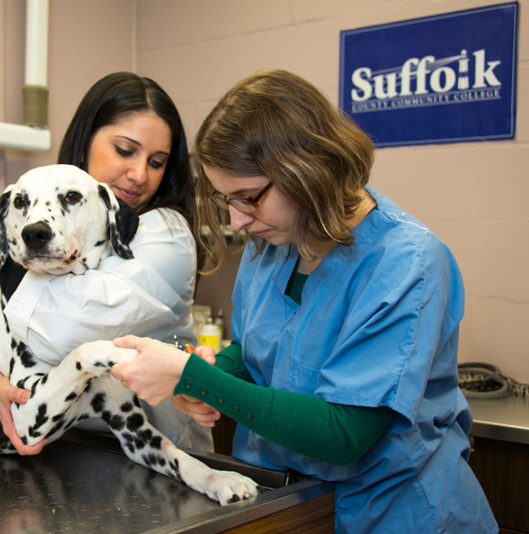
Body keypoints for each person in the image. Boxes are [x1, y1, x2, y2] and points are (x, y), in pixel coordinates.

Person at [111, 69, 498, 533]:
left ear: (306, 167)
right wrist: (210, 376)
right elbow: (261, 353)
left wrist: (193, 377)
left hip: (392, 510)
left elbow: (344, 433)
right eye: (224, 200)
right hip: (292, 501)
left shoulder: (405, 262)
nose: (237, 221)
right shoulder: (275, 240)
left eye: (248, 197)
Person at [0, 72, 212, 455]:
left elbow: (60, 329)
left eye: (157, 162)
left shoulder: (164, 233)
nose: (140, 175)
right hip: (57, 444)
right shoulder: (28, 207)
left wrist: (8, 262)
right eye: (125, 150)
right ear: (84, 144)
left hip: (152, 451)